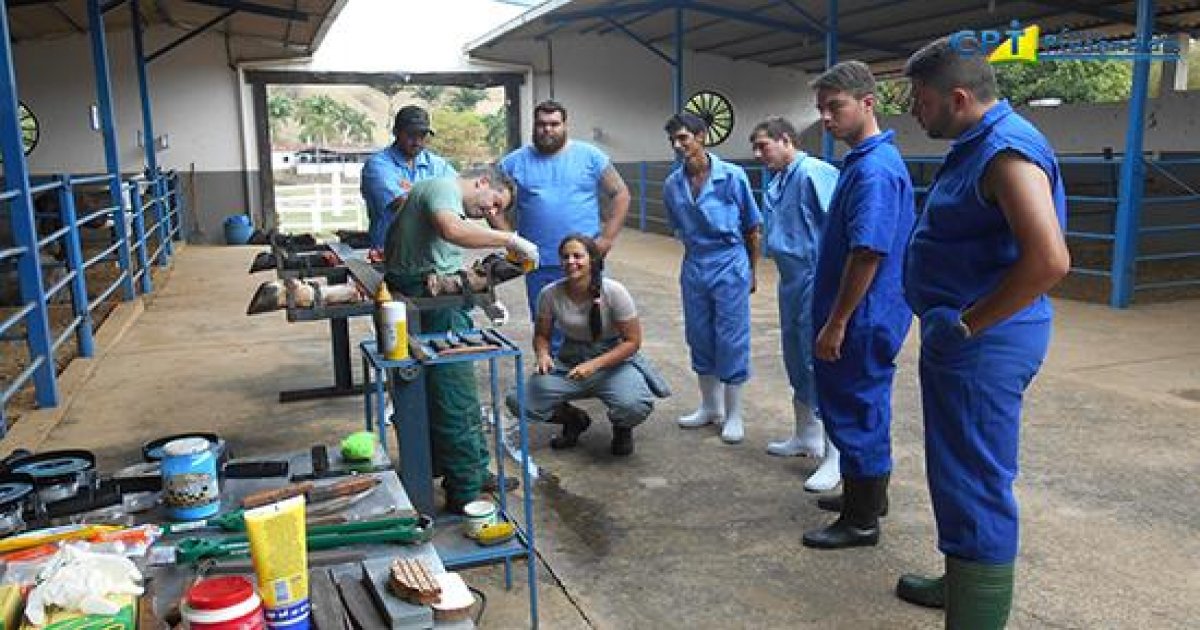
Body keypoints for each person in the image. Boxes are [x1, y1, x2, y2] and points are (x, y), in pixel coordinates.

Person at [898, 39, 1070, 628]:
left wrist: (967, 325)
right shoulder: (977, 141)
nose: (914, 111)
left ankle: (976, 611)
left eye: (920, 101)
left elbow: (1050, 260)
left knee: (976, 481)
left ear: (960, 98)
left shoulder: (1005, 152)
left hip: (983, 342)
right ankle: (961, 579)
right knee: (956, 468)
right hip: (964, 338)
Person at [801, 61, 915, 550]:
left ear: (868, 103)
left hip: (861, 316)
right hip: (868, 312)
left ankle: (862, 520)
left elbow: (868, 251)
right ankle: (868, 496)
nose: (827, 118)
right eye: (822, 109)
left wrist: (837, 321)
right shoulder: (867, 160)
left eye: (836, 107)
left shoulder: (873, 170)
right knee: (863, 404)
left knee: (855, 406)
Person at [382, 168, 539, 514]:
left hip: (434, 300)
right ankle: (464, 491)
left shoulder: (435, 191)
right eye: (494, 203)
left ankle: (470, 469)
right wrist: (509, 239)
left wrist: (484, 294)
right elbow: (451, 230)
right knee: (455, 398)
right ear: (482, 182)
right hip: (430, 306)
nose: (490, 213)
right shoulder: (442, 187)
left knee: (448, 398)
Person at [505, 234, 668, 456]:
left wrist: (594, 365)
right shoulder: (550, 294)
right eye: (565, 257)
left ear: (591, 259)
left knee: (634, 405)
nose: (571, 262)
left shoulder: (614, 292)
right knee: (519, 401)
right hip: (570, 360)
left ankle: (622, 428)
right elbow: (542, 335)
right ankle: (574, 420)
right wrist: (542, 354)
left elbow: (633, 342)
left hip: (613, 361)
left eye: (577, 256)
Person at [749, 117, 842, 492]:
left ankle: (836, 455)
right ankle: (806, 434)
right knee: (795, 355)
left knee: (821, 361)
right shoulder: (779, 178)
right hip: (791, 278)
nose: (758, 155)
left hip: (816, 275)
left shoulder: (813, 173)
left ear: (786, 140)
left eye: (763, 146)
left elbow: (837, 227)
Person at [497, 100, 631, 352]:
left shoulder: (591, 157)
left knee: (595, 317)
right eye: (541, 124)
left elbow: (621, 193)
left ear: (565, 125)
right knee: (546, 322)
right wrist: (510, 241)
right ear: (533, 127)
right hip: (538, 260)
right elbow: (492, 206)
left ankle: (595, 369)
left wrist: (607, 239)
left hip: (585, 260)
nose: (547, 130)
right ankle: (554, 372)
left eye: (554, 124)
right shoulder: (513, 163)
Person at [663, 112, 763, 445]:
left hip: (729, 261)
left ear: (702, 136)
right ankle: (710, 406)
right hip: (695, 263)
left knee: (731, 336)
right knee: (699, 334)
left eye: (684, 138)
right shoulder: (672, 185)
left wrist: (751, 270)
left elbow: (752, 228)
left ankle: (734, 414)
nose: (679, 146)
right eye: (674, 141)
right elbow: (678, 226)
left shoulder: (733, 177)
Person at [361, 105, 457, 249]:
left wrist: (415, 193)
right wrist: (438, 197)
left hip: (433, 253)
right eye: (411, 135)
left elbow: (460, 194)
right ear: (396, 132)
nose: (417, 141)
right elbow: (402, 204)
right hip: (391, 255)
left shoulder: (437, 164)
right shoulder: (377, 165)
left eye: (422, 135)